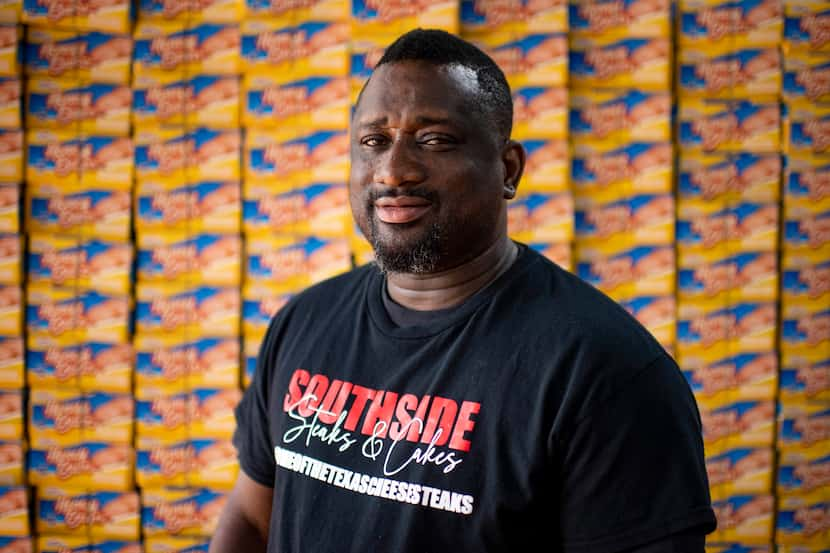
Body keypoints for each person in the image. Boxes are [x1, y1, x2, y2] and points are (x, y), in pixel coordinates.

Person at [210, 29, 716, 553]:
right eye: (373, 141)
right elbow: (251, 517)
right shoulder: (304, 322)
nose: (394, 170)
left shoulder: (605, 372)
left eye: (434, 140)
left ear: (508, 169)